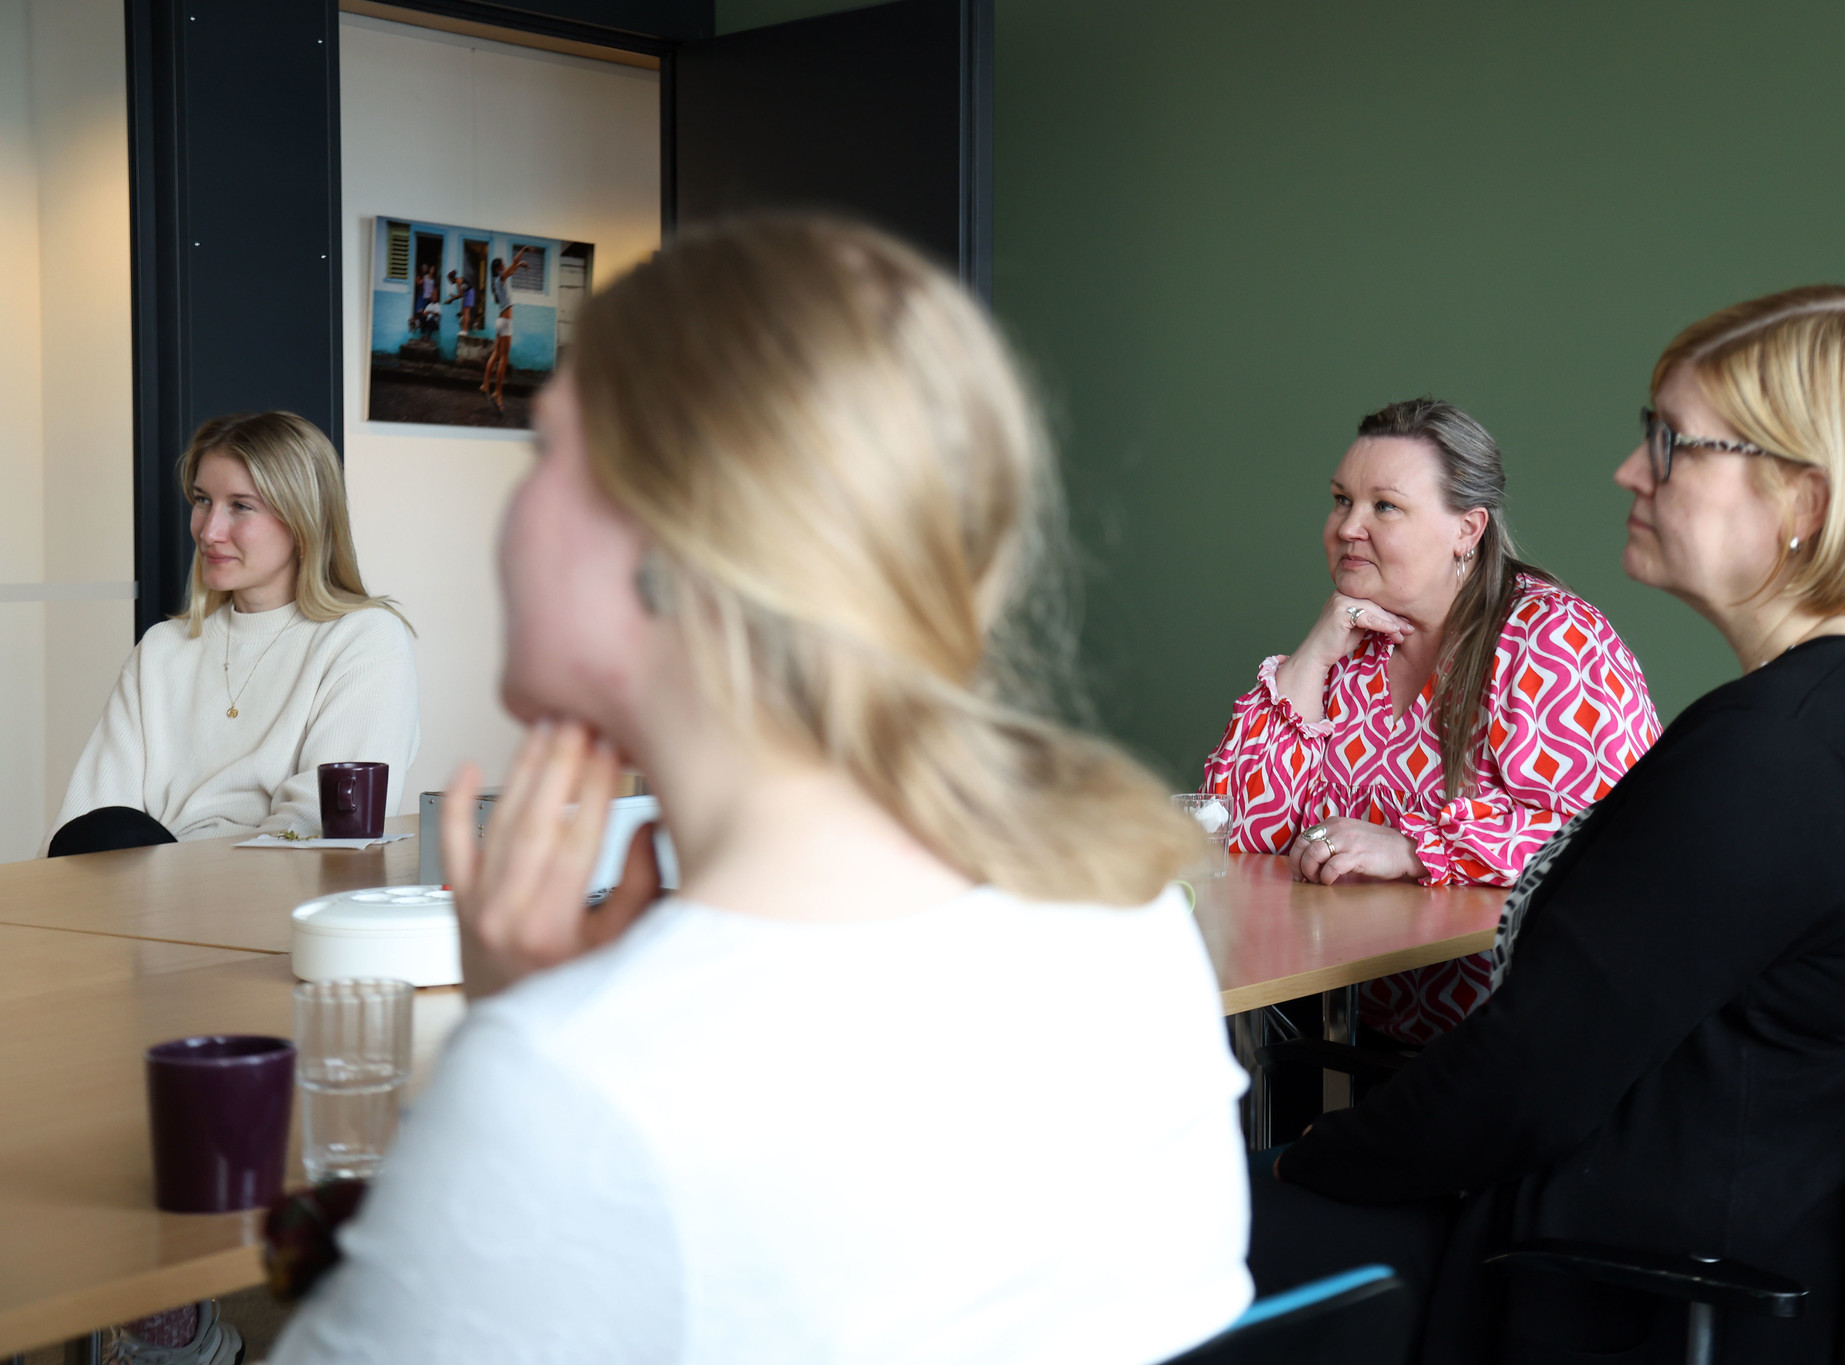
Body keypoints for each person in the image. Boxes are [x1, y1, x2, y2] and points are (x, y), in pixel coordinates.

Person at [269, 216, 1253, 1363]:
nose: (513, 507)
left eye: (544, 454)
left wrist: (519, 1039)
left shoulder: (578, 1088)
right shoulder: (1127, 921)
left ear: (671, 542)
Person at [1256, 286, 1845, 1365]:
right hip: (1738, 1258)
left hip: (1606, 1280)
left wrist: (1299, 1159)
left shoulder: (1778, 755)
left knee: (1171, 1243)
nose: (1629, 472)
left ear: (1802, 495)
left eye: (1669, 443)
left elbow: (1519, 1081)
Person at [1204, 399, 1659, 1047]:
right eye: (1341, 500)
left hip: (1531, 1045)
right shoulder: (1357, 643)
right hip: (1367, 1030)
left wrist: (1414, 848)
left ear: (1467, 529)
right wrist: (1313, 653)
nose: (1348, 526)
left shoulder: (1550, 639)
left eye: (1384, 506)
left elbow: (1617, 843)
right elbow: (1240, 830)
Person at [46, 412, 419, 855]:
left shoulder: (364, 637)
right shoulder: (163, 648)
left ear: (304, 520)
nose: (208, 531)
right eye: (202, 500)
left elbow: (322, 825)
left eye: (240, 506)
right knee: (103, 832)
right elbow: (84, 823)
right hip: (145, 890)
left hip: (269, 891)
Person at [480, 245, 534, 413]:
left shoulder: (498, 281)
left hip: (500, 320)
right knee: (504, 358)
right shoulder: (500, 278)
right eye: (502, 265)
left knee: (496, 354)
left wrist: (519, 265)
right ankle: (497, 392)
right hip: (505, 321)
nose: (505, 266)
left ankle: (485, 384)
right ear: (498, 268)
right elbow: (513, 263)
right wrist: (523, 250)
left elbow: (512, 268)